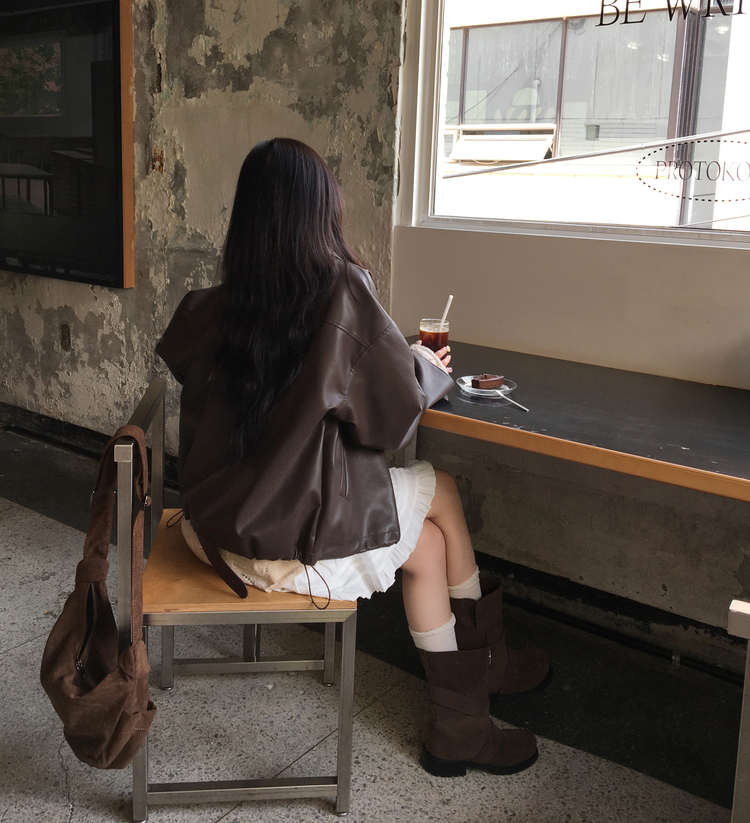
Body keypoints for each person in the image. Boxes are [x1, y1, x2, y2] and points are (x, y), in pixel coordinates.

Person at [156, 137, 549, 780]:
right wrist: (423, 365)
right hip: (286, 545)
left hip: (212, 531)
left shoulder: (217, 305)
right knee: (443, 491)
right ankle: (485, 673)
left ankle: (464, 715)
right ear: (322, 211)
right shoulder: (341, 294)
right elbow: (390, 419)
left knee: (426, 544)